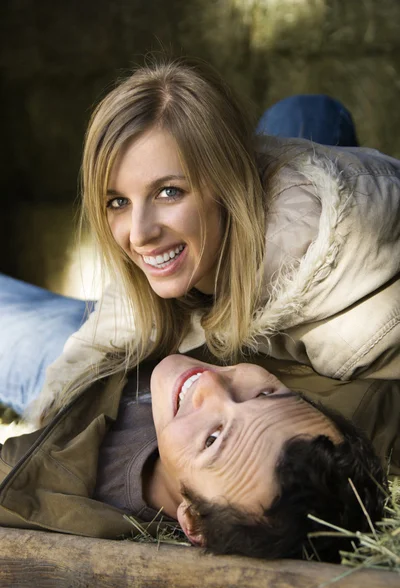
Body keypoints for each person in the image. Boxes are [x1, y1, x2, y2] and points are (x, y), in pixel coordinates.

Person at [19, 56, 399, 429]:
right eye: (118, 201)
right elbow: (103, 336)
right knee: (305, 110)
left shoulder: (353, 330)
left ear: (228, 186)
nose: (138, 235)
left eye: (168, 191)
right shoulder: (170, 274)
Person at [0, 354, 392, 563]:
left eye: (214, 438)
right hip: (103, 340)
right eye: (265, 395)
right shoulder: (354, 395)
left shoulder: (49, 501)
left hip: (48, 381)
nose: (209, 383)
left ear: (193, 520)